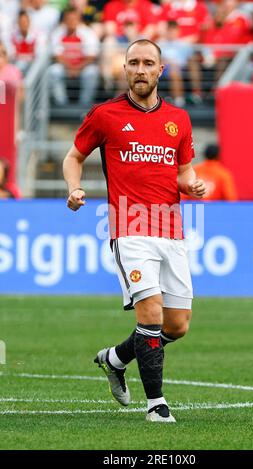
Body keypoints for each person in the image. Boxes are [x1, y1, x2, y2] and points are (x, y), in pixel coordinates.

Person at [63, 39, 206, 423]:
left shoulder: (179, 119)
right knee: (152, 316)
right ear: (124, 69)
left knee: (176, 326)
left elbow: (181, 172)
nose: (140, 69)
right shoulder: (106, 115)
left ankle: (115, 358)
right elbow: (74, 156)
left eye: (148, 63)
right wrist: (74, 188)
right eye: (133, 63)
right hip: (130, 228)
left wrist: (191, 184)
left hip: (172, 230)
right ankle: (156, 405)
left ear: (161, 70)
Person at [49, 6, 100, 106]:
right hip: (65, 67)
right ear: (64, 20)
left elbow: (91, 56)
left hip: (83, 67)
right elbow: (57, 55)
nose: (71, 21)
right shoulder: (57, 33)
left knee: (92, 72)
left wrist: (77, 68)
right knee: (53, 71)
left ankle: (84, 105)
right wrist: (70, 67)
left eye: (74, 19)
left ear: (79, 20)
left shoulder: (88, 32)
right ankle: (62, 105)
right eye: (69, 19)